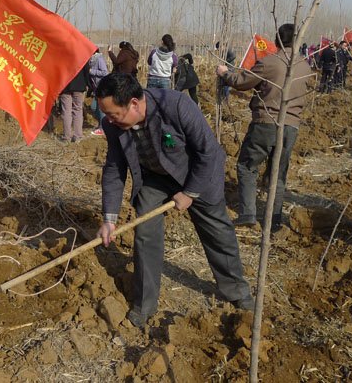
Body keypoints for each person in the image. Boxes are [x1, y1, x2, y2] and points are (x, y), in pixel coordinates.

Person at [95, 73, 253, 328]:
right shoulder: (112, 125)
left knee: (217, 232)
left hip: (197, 174)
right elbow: (114, 168)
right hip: (154, 179)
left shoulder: (176, 105)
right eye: (107, 115)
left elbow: (209, 152)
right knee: (145, 232)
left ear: (134, 103)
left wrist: (190, 193)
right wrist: (109, 219)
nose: (109, 120)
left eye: (114, 114)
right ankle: (145, 304)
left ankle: (237, 291)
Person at [216, 24, 311, 230]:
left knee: (247, 166)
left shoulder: (269, 62)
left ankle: (248, 214)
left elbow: (242, 82)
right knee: (278, 173)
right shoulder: (305, 66)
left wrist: (225, 73)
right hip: (291, 127)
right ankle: (274, 221)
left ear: (277, 41)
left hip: (266, 123)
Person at [60, 65, 89, 142]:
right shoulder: (80, 56)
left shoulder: (59, 57)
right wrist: (87, 83)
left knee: (66, 111)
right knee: (78, 110)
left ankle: (67, 137)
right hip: (79, 84)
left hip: (64, 85)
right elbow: (86, 69)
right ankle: (78, 136)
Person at [88, 48, 109, 136]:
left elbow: (105, 72)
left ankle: (102, 128)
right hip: (96, 88)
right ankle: (101, 124)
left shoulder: (99, 59)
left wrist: (91, 71)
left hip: (102, 86)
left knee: (100, 108)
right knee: (93, 107)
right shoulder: (90, 60)